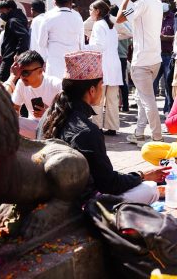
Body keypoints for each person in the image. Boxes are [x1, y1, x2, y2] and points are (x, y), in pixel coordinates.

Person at [41, 51, 169, 204]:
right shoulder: (86, 131)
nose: (102, 90)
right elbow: (109, 184)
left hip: (51, 196)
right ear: (92, 90)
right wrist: (142, 175)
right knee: (149, 189)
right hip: (79, 205)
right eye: (101, 85)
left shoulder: (48, 116)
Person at [116, 0, 164, 146]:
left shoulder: (141, 3)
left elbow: (119, 18)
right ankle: (138, 133)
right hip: (155, 59)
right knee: (143, 99)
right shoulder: (157, 2)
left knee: (147, 100)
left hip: (142, 60)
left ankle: (157, 137)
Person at [84, 0, 123, 136]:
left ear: (97, 11)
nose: (90, 13)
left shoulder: (98, 25)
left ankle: (97, 126)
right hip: (113, 65)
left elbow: (99, 47)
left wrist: (83, 47)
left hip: (102, 65)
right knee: (112, 99)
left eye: (91, 10)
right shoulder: (111, 25)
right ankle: (112, 127)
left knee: (98, 98)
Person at [3, 50, 61, 139]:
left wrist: (49, 113)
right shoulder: (21, 83)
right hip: (34, 127)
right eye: (20, 73)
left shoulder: (56, 84)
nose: (22, 76)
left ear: (40, 71)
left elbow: (69, 115)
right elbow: (14, 109)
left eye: (25, 72)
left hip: (55, 129)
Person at [38, 0, 84, 79]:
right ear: (71, 1)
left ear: (54, 1)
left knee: (55, 90)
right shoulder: (77, 16)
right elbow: (81, 43)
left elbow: (41, 43)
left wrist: (43, 61)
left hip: (54, 61)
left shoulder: (48, 16)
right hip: (73, 61)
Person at [0, 0, 30, 81]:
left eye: (2, 12)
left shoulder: (13, 21)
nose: (1, 15)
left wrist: (18, 53)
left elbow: (24, 36)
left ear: (9, 9)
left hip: (10, 58)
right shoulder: (18, 18)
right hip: (14, 58)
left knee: (3, 85)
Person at [154, 0, 175, 114]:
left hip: (168, 55)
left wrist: (163, 37)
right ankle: (150, 112)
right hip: (156, 55)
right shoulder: (155, 18)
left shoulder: (174, 18)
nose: (162, 4)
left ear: (169, 2)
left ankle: (168, 111)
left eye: (164, 1)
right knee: (152, 84)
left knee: (168, 84)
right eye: (159, 1)